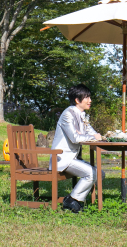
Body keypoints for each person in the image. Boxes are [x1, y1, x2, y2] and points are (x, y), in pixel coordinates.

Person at [50, 84, 104, 213]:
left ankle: (75, 199)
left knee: (100, 173)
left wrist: (101, 137)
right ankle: (72, 200)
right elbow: (75, 138)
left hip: (72, 158)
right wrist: (94, 136)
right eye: (87, 97)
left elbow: (92, 132)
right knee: (92, 173)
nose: (90, 100)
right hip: (61, 158)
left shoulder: (81, 114)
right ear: (77, 100)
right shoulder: (67, 114)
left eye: (90, 97)